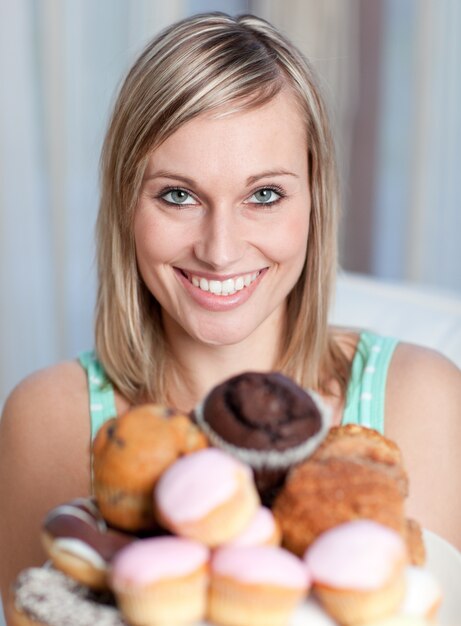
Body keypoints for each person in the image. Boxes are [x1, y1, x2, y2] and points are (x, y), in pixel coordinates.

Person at [1, 10, 460, 612]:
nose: (219, 251)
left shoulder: (422, 398)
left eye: (264, 194)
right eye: (178, 195)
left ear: (315, 201)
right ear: (124, 207)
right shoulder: (48, 417)